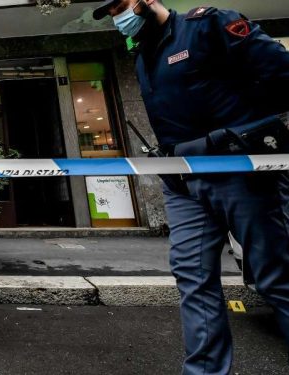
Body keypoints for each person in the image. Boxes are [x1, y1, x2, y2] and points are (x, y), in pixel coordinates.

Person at [94, 1, 289, 373]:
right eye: (111, 12)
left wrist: (244, 134)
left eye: (121, 6)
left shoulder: (208, 26)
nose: (119, 17)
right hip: (182, 181)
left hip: (237, 171)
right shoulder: (144, 54)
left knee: (274, 274)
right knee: (193, 277)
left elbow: (280, 74)